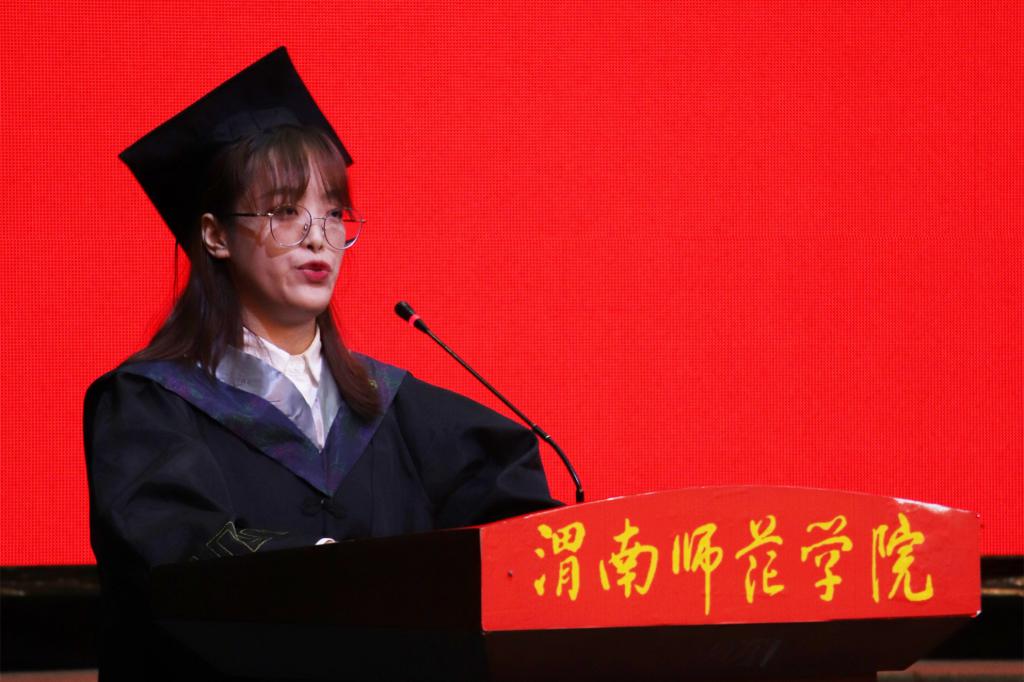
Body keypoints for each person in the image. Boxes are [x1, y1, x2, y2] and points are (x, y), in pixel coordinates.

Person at [84, 48, 559, 680]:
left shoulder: (391, 407)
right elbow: (175, 554)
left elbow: (515, 524)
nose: (319, 237)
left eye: (334, 212)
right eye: (285, 211)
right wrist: (340, 576)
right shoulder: (149, 405)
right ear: (216, 235)